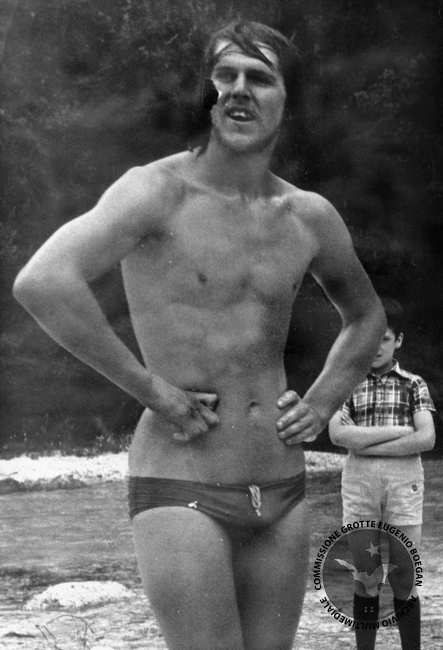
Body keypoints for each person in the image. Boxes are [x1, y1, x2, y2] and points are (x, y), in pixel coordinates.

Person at [13, 20, 386, 650]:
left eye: (259, 77)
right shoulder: (155, 192)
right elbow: (44, 281)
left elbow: (366, 316)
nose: (238, 89)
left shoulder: (308, 216)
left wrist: (323, 401)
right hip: (180, 481)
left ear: (289, 100)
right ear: (204, 94)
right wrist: (150, 389)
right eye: (224, 75)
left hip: (283, 485)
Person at [329, 298, 435, 650]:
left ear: (398, 340)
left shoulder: (413, 384)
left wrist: (364, 443)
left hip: (403, 482)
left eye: (385, 339)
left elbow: (427, 437)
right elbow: (337, 434)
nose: (377, 347)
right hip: (360, 483)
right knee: (366, 576)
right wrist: (400, 433)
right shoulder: (348, 383)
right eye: (371, 339)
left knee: (405, 576)